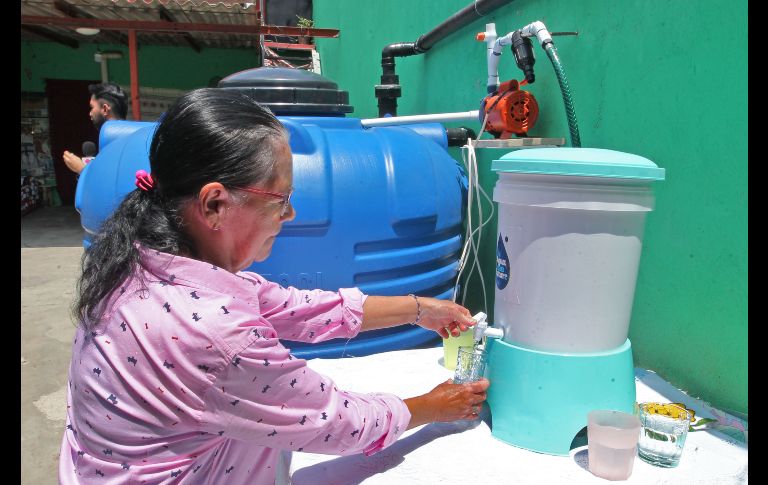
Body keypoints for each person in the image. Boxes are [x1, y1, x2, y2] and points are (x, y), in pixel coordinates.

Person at [59, 88, 489, 483]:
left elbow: (294, 307)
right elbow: (335, 422)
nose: (291, 215)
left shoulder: (143, 257)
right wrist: (434, 406)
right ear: (214, 204)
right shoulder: (214, 332)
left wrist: (421, 309)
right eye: (280, 199)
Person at [62, 82, 128, 175]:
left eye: (92, 107)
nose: (90, 113)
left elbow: (112, 183)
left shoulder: (117, 142)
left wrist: (82, 169)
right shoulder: (135, 136)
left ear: (105, 109)